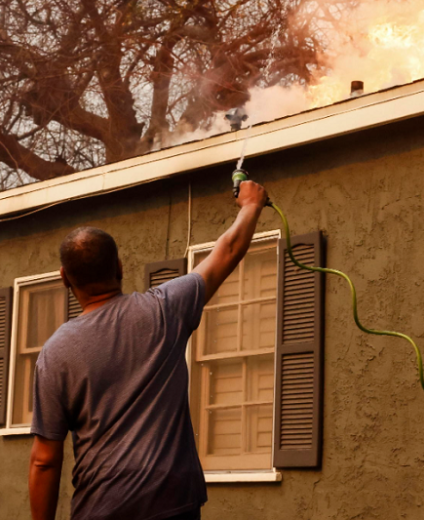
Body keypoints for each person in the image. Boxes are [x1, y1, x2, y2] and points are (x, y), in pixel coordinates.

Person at [28, 180, 270, 520]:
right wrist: (251, 205)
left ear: (64, 278)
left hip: (101, 510)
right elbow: (227, 250)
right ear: (119, 267)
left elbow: (44, 460)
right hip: (174, 508)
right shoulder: (164, 309)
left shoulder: (55, 353)